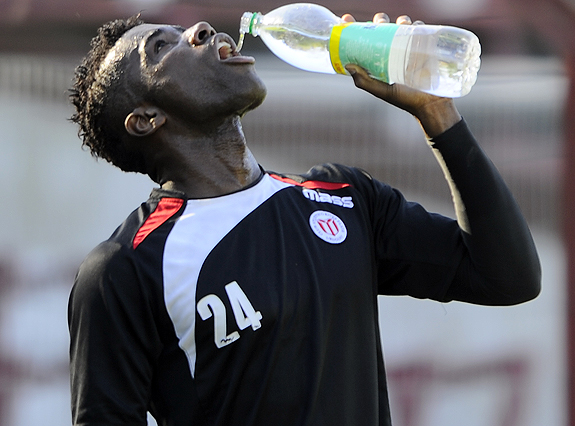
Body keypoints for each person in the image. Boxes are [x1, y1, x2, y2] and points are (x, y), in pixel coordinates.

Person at [67, 11, 541, 426]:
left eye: (181, 29)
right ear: (146, 118)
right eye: (161, 46)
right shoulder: (125, 268)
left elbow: (508, 277)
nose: (200, 30)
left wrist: (438, 114)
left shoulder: (343, 196)